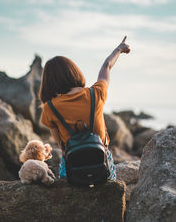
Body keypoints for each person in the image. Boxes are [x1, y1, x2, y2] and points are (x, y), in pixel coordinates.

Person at [39, 36, 130, 180]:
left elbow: (61, 144)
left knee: (64, 162)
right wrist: (119, 49)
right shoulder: (96, 93)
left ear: (49, 82)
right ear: (74, 72)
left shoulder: (50, 107)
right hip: (101, 162)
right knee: (106, 157)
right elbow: (107, 66)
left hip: (73, 166)